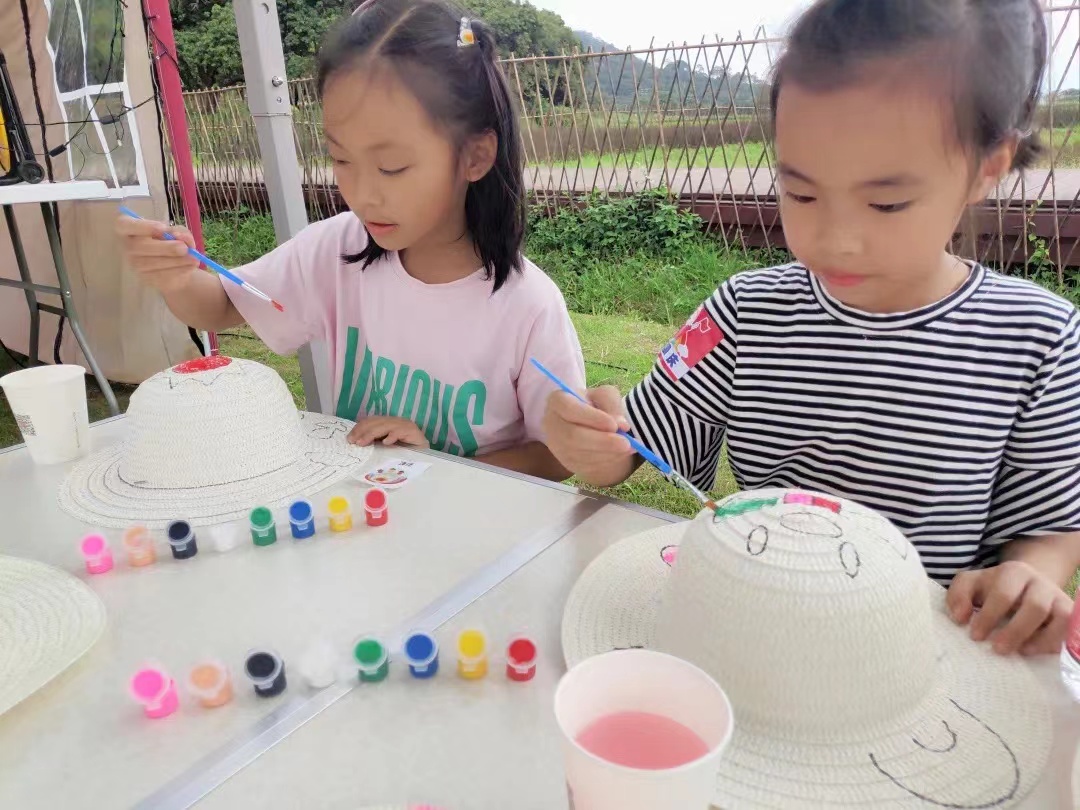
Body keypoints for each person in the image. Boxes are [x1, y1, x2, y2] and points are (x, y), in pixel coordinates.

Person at [543, 0, 1080, 655]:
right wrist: (594, 442)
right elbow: (638, 443)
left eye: (886, 202)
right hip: (759, 640)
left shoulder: (1039, 340)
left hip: (920, 657)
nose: (834, 239)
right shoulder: (740, 313)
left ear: (987, 166)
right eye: (800, 193)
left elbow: (1049, 528)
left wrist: (1029, 576)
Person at [116, 0, 583, 481]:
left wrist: (436, 467)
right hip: (355, 514)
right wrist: (176, 278)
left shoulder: (528, 306)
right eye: (341, 160)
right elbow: (218, 306)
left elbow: (557, 456)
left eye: (391, 167)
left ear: (475, 157)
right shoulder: (337, 250)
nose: (361, 194)